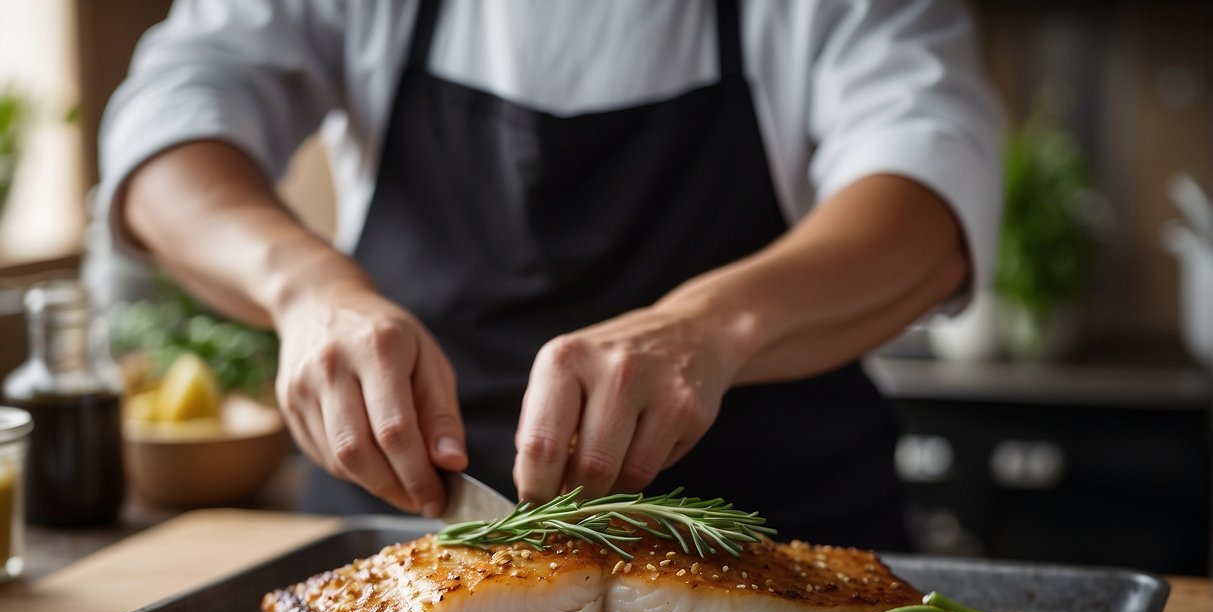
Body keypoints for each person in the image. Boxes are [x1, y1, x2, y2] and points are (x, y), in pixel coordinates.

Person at [96, 0, 1002, 550]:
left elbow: (931, 181)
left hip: (776, 525)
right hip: (398, 528)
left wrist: (710, 327)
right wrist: (303, 292)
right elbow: (168, 122)